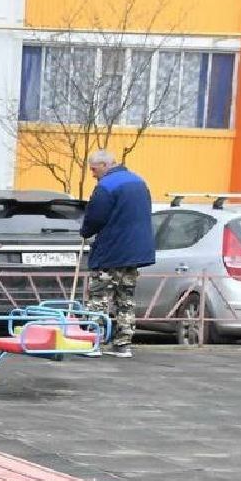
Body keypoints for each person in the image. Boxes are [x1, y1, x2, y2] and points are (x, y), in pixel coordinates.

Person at [80, 148, 155, 359]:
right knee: (126, 298)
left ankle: (92, 343)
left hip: (111, 250)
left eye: (94, 170)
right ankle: (123, 345)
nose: (93, 174)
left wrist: (85, 232)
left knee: (99, 297)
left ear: (105, 165)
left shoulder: (106, 186)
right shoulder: (139, 182)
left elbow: (95, 218)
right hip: (135, 252)